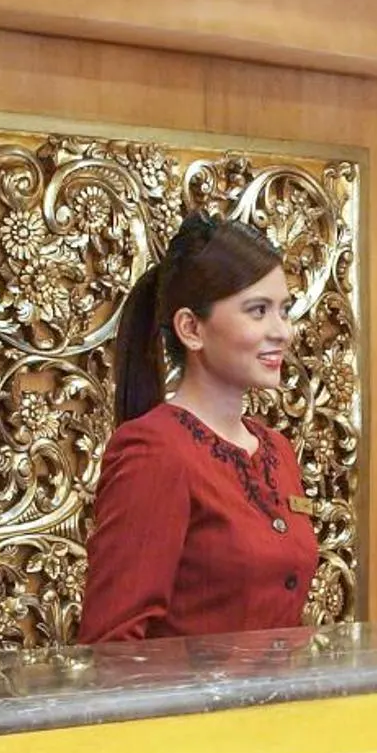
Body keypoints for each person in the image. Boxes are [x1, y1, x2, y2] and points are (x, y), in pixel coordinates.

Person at [78, 213, 320, 643]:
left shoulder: (277, 450)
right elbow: (111, 645)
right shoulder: (155, 450)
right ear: (191, 328)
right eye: (258, 311)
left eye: (284, 310)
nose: (282, 331)